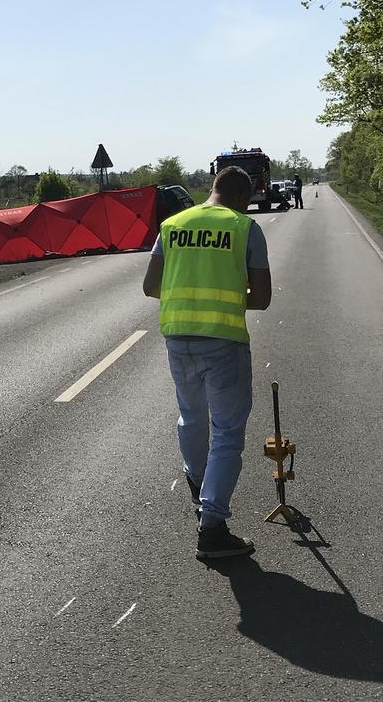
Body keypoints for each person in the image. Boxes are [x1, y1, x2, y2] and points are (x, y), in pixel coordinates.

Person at [143, 166, 271, 559]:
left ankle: (198, 485)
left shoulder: (173, 224)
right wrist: (231, 296)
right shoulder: (244, 228)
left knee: (192, 418)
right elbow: (262, 298)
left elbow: (151, 286)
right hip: (223, 341)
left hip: (178, 338)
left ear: (212, 189)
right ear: (243, 199)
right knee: (228, 431)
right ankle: (212, 527)